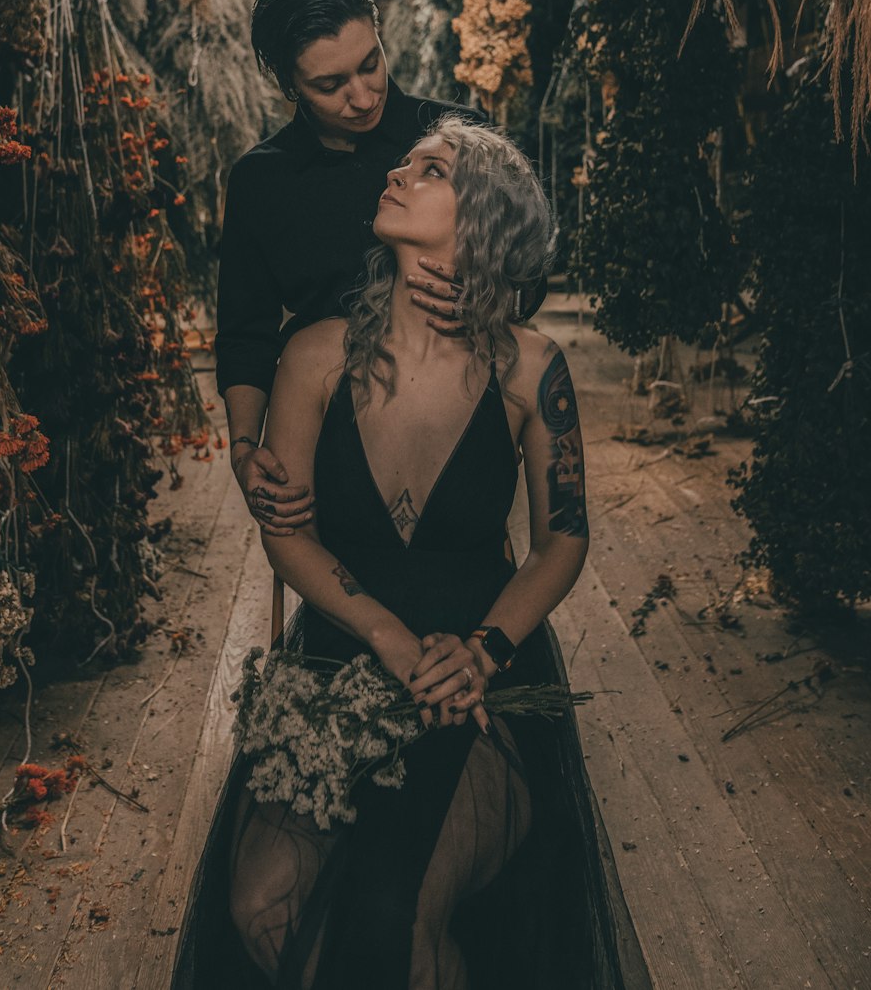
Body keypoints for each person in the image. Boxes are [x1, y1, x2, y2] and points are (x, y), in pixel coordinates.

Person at [174, 117, 650, 989]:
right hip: (340, 652)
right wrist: (391, 641)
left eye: (429, 168)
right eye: (409, 159)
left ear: (479, 224)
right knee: (258, 908)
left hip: (479, 675)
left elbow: (562, 540)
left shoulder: (530, 368)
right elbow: (288, 534)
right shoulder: (313, 356)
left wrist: (482, 651)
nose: (398, 168)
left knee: (399, 914)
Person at [215, 0, 544, 537]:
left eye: (371, 64)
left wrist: (493, 295)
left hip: (455, 403)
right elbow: (246, 329)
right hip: (328, 414)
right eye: (330, 84)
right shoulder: (261, 182)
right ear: (288, 83)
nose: (364, 97)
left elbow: (527, 262)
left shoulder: (451, 137)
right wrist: (245, 448)